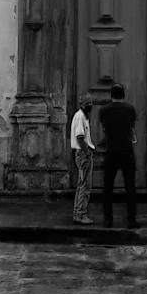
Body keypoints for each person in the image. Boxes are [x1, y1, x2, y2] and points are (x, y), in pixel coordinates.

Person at [97, 83, 139, 229]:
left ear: (111, 95)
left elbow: (103, 128)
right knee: (130, 186)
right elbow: (131, 128)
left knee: (107, 187)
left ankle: (108, 219)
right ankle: (131, 220)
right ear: (123, 95)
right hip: (127, 150)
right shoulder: (130, 109)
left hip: (111, 150)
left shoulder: (104, 110)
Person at [69, 94, 95, 225]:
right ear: (83, 104)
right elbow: (80, 137)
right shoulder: (80, 116)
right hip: (83, 154)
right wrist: (87, 152)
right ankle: (80, 214)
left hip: (82, 153)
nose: (91, 105)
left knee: (82, 184)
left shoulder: (83, 116)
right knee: (84, 186)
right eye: (88, 103)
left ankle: (78, 213)